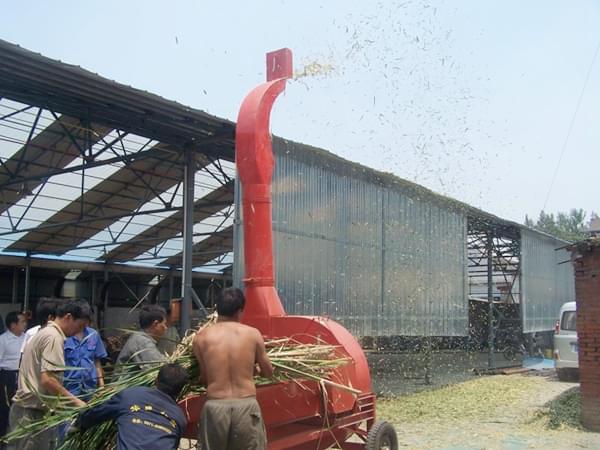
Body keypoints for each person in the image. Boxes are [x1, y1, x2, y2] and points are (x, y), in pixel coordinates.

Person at [192, 288, 273, 450]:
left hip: (215, 407)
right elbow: (268, 373)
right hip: (246, 405)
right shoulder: (252, 334)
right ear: (240, 310)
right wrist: (254, 370)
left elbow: (205, 378)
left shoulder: (201, 337)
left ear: (217, 308)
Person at [7, 300, 90, 450]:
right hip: (32, 414)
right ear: (68, 317)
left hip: (29, 411)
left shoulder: (46, 332)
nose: (79, 331)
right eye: (80, 326)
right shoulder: (54, 337)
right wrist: (78, 403)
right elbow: (49, 380)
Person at [70, 363, 188, 450]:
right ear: (180, 390)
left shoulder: (131, 395)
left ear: (156, 380)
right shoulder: (179, 417)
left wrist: (79, 424)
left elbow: (96, 413)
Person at [63, 316, 108, 399]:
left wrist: (101, 386)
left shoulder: (93, 334)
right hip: (70, 389)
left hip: (90, 388)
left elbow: (96, 361)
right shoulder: (65, 335)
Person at [115, 305, 167, 376]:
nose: (166, 328)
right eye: (164, 324)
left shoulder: (139, 338)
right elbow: (158, 366)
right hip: (129, 386)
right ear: (156, 324)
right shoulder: (142, 341)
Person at [0, 312, 26, 444]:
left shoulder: (26, 338)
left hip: (22, 375)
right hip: (7, 376)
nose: (25, 324)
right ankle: (3, 437)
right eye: (22, 322)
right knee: (5, 407)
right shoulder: (3, 340)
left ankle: (19, 437)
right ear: (13, 325)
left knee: (21, 407)